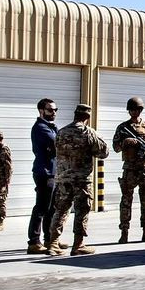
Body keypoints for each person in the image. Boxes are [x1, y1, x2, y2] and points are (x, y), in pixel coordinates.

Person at [46, 104, 108, 256]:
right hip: (82, 180)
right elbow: (103, 152)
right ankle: (78, 244)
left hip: (63, 179)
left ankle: (52, 243)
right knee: (82, 211)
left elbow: (56, 150)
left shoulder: (61, 132)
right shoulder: (88, 132)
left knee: (60, 210)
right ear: (87, 117)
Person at [112, 96, 145, 243]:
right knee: (126, 201)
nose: (135, 112)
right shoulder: (123, 127)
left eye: (137, 109)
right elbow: (115, 147)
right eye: (132, 110)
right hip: (130, 169)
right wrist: (126, 142)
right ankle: (124, 232)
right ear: (129, 111)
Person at [28, 98, 62, 254]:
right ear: (41, 111)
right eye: (50, 110)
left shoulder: (50, 126)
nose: (53, 113)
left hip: (51, 171)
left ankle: (50, 240)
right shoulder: (41, 128)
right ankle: (34, 242)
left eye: (55, 110)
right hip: (44, 172)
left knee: (51, 208)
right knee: (41, 207)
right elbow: (58, 143)